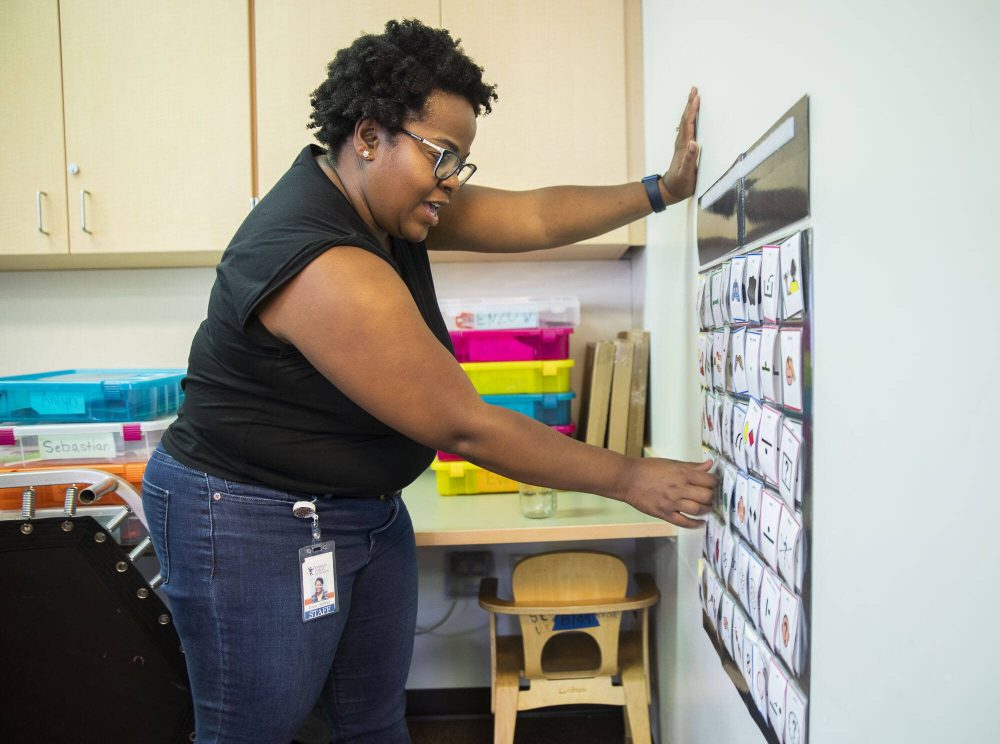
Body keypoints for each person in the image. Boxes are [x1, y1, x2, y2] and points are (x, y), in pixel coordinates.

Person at [142, 18, 716, 744]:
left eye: (460, 163)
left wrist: (660, 190)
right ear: (370, 135)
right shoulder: (319, 259)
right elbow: (462, 424)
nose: (449, 183)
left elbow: (535, 213)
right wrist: (633, 478)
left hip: (363, 508)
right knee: (253, 730)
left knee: (374, 720)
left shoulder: (387, 204)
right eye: (441, 156)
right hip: (246, 514)